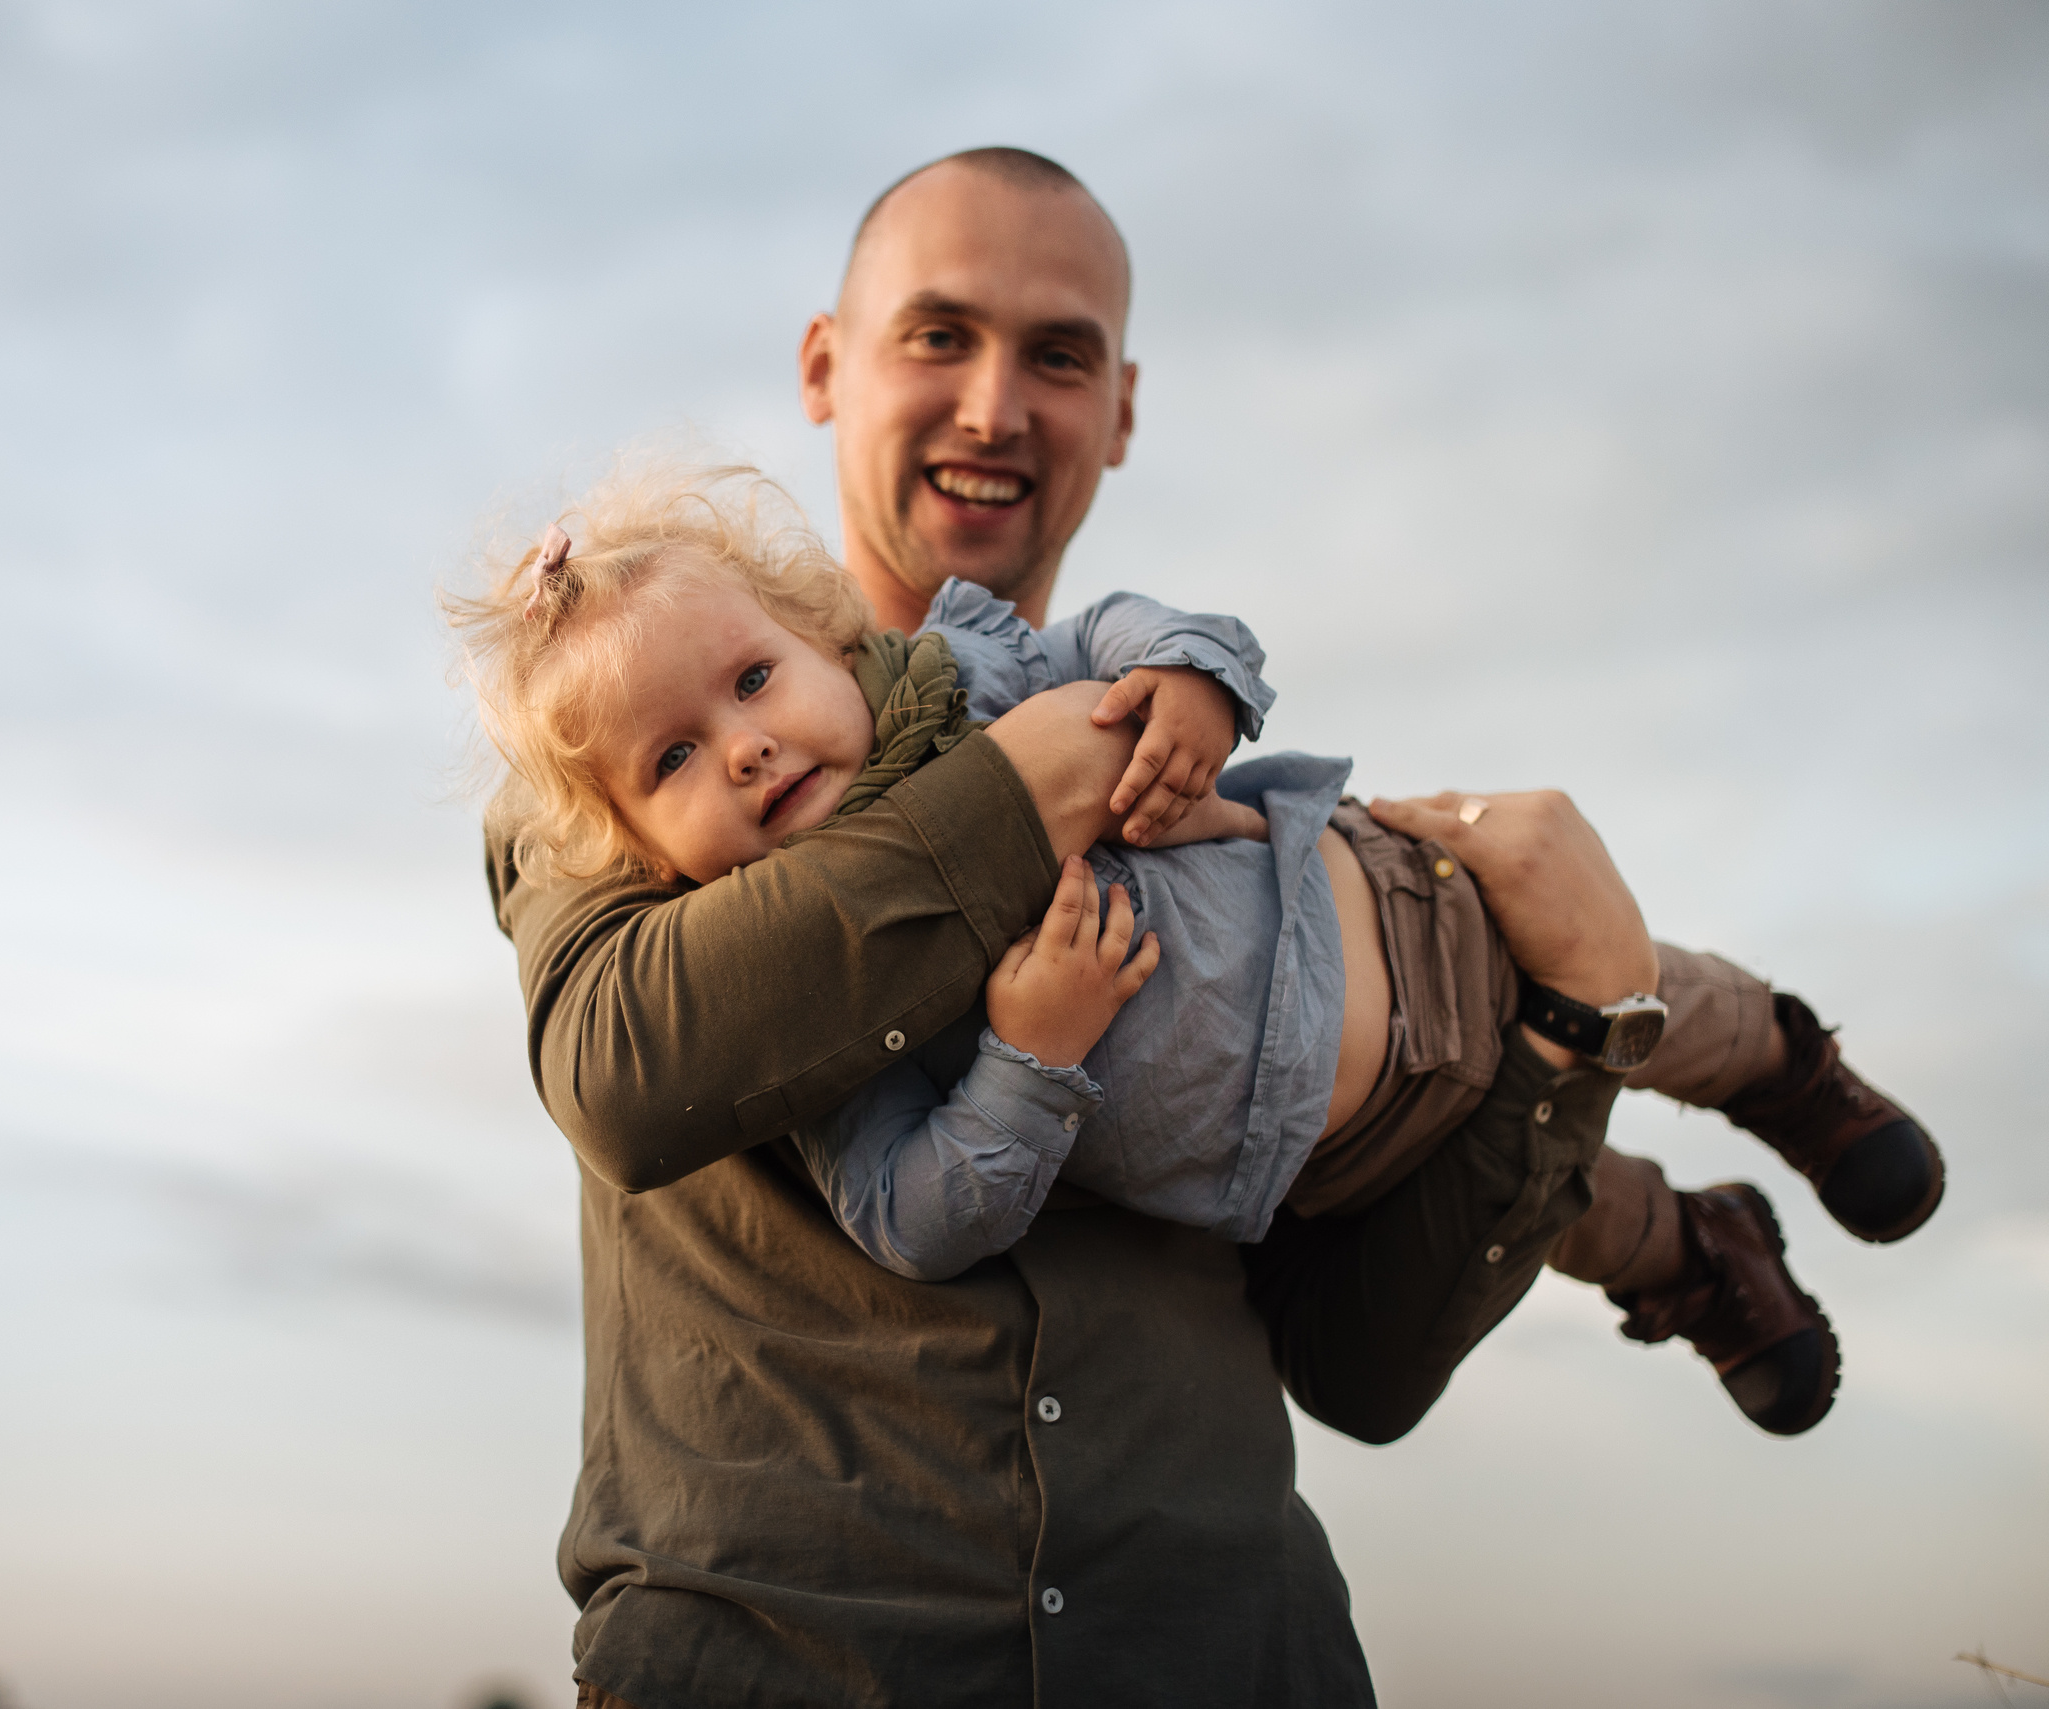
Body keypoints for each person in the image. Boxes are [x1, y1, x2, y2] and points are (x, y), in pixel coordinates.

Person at [473, 148, 1918, 1708]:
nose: (992, 405)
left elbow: (1365, 1364)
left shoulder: (1170, 773)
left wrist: (1578, 1027)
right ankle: (1685, 1231)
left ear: (1123, 409)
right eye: (939, 335)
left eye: (1060, 354)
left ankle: (1732, 1152)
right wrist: (1028, 802)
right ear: (826, 364)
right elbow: (631, 1070)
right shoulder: (615, 755)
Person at [449, 461, 1943, 1445]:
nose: (750, 744)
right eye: (677, 761)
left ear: (825, 639)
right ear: (638, 856)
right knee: (1540, 1171)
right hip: (1340, 1150)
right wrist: (1026, 1061)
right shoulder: (802, 1010)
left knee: (1655, 989)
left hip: (1395, 898)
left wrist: (1190, 681)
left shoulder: (969, 672)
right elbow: (909, 1208)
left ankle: (1796, 1073)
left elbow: (1128, 624)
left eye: (756, 679)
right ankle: (1693, 1248)